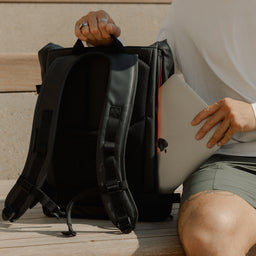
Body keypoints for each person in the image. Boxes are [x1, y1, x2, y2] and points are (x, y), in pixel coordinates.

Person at [75, 2, 256, 255]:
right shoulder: (188, 7)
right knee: (210, 233)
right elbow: (155, 73)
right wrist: (107, 42)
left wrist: (254, 113)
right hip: (229, 164)